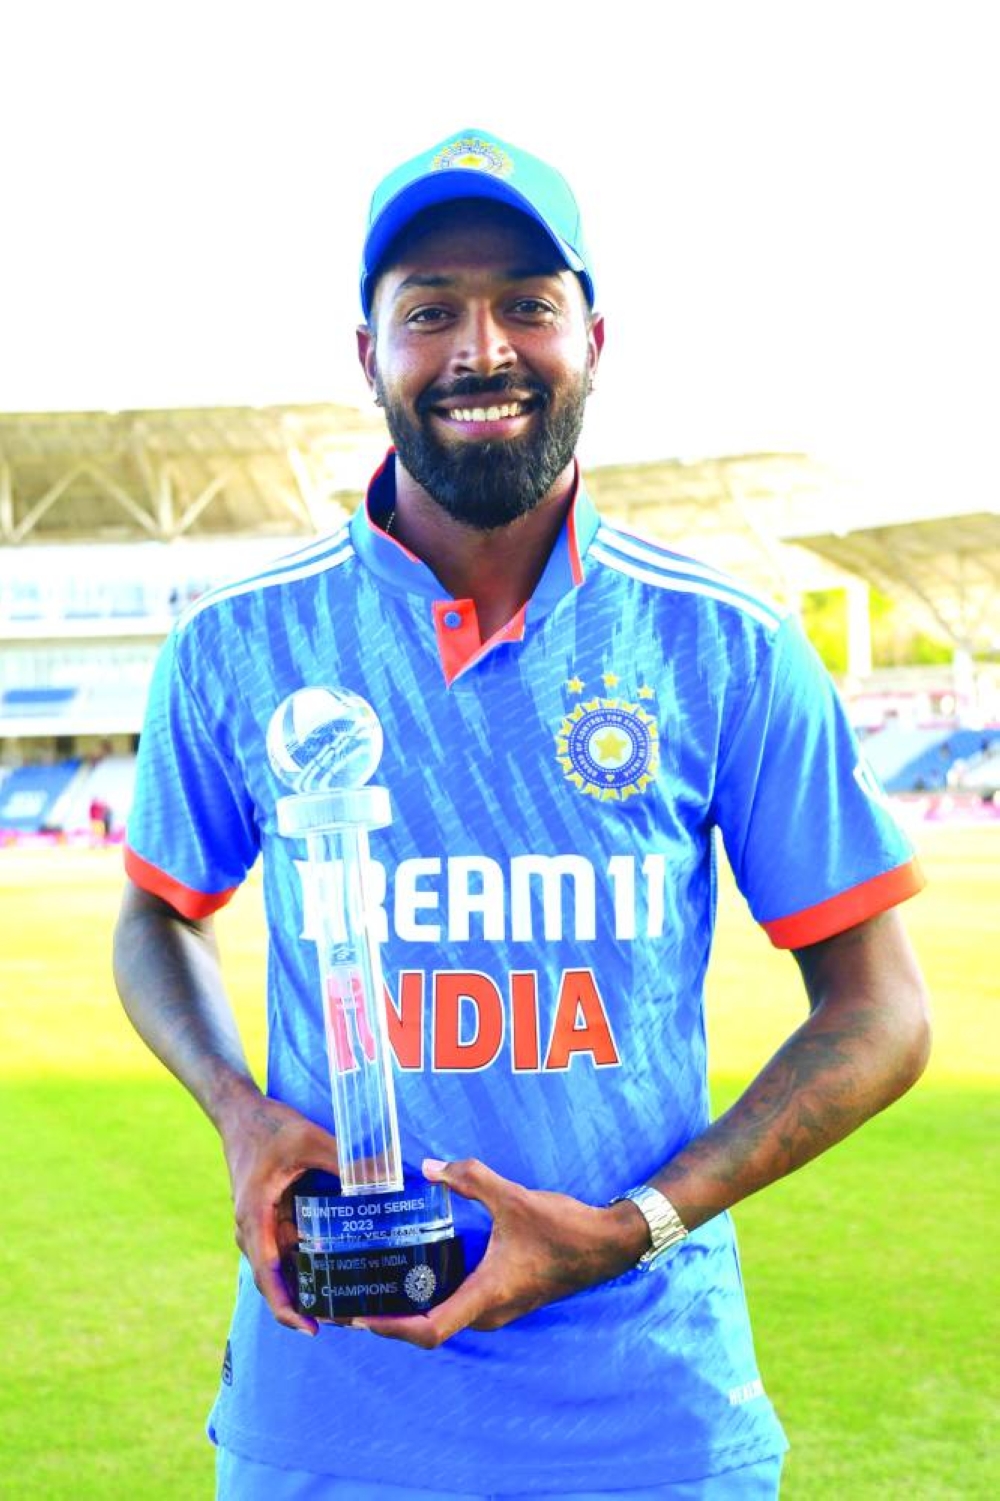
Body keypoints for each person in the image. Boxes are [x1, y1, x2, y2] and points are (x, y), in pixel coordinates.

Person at [114, 128, 931, 1500]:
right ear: (366, 352)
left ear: (594, 336)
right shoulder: (239, 645)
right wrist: (239, 1110)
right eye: (429, 308)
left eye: (527, 305)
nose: (480, 347)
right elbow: (155, 912)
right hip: (331, 1417)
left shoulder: (722, 642)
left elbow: (883, 1011)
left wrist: (633, 1224)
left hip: (650, 1422)